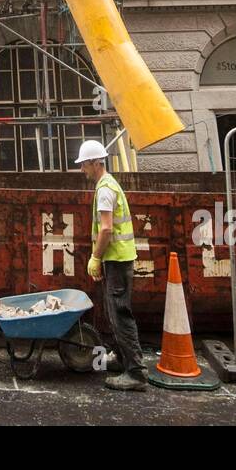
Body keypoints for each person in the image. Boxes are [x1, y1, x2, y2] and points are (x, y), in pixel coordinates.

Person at [80, 140, 148, 392]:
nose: (82, 170)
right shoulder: (107, 185)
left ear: (94, 163)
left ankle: (136, 373)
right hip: (118, 258)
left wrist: (95, 257)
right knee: (115, 312)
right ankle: (122, 359)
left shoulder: (105, 189)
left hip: (117, 259)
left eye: (84, 164)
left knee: (120, 315)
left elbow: (106, 228)